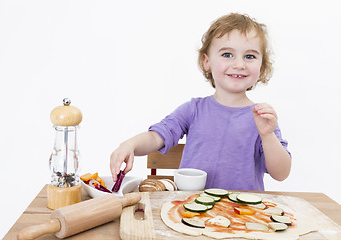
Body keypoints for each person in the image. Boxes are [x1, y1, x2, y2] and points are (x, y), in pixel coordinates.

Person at [110, 13, 291, 191]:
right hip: (188, 212)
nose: (239, 64)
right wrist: (129, 145)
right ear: (207, 62)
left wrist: (268, 136)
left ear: (262, 66)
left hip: (242, 215)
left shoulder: (262, 118)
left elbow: (281, 173)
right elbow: (156, 136)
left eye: (250, 56)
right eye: (227, 54)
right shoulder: (193, 109)